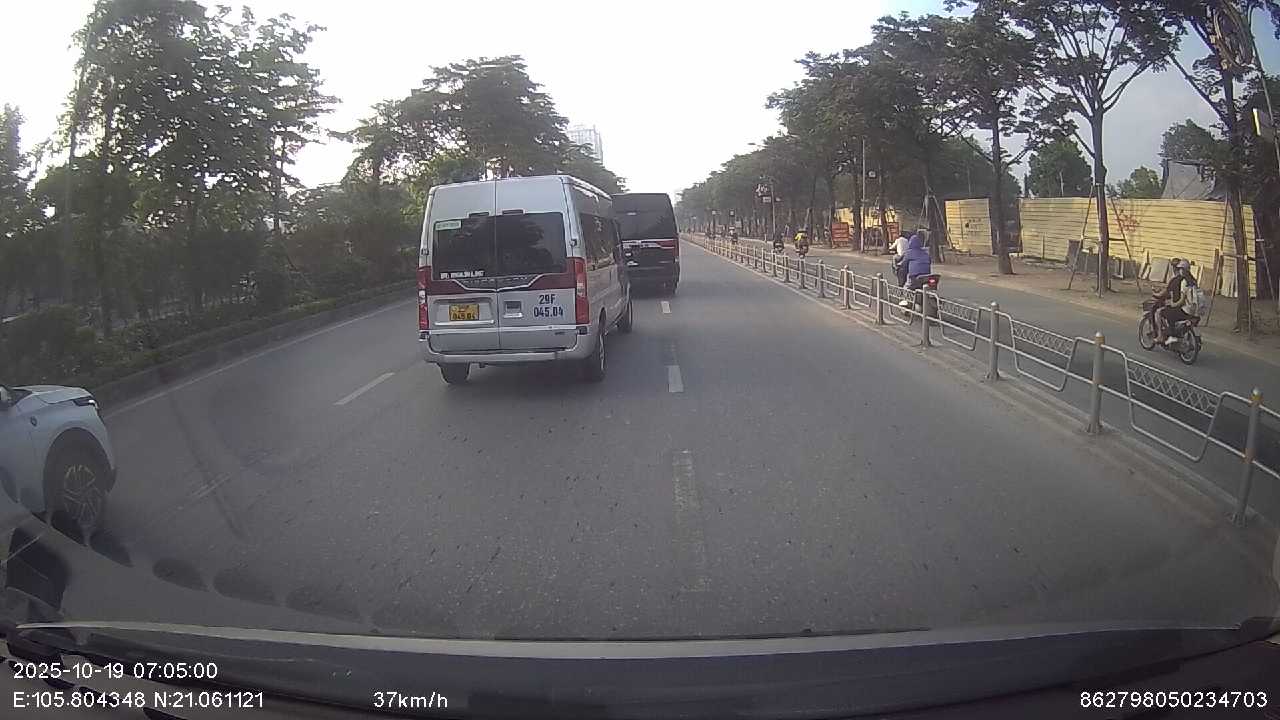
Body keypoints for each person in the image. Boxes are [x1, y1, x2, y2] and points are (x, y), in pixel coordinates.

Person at [1154, 259, 1197, 346]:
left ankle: (1163, 336)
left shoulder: (1183, 282)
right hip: (1194, 310)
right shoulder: (1194, 281)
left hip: (1185, 310)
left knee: (1160, 312)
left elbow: (1181, 299)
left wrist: (1173, 304)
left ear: (1183, 270)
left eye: (1180, 268)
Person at [898, 232, 932, 307]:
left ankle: (906, 303)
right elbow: (929, 261)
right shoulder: (925, 253)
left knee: (907, 287)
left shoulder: (909, 253)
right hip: (927, 276)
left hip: (915, 277)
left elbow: (904, 265)